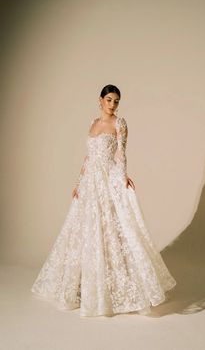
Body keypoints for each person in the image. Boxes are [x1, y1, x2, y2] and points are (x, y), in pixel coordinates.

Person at [31, 84, 177, 317]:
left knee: (111, 229)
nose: (113, 105)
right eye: (109, 100)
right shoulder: (93, 123)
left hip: (108, 178)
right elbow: (88, 157)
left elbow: (121, 153)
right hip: (90, 181)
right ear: (100, 100)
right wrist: (78, 183)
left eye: (116, 101)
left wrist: (122, 179)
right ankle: (84, 286)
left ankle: (115, 287)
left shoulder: (120, 123)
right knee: (87, 231)